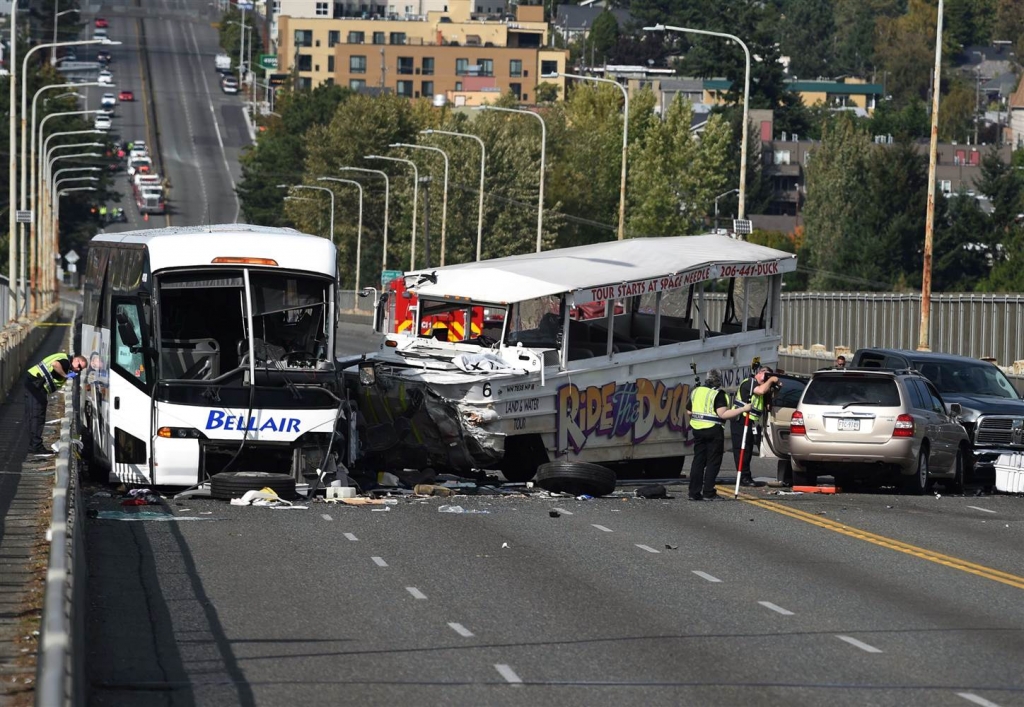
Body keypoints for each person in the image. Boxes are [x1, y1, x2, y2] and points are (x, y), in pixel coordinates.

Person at [686, 369, 752, 501]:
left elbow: (689, 411)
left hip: (697, 429)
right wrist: (743, 409)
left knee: (698, 461)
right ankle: (708, 492)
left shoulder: (696, 391)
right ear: (718, 381)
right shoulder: (718, 394)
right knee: (713, 462)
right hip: (713, 430)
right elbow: (723, 414)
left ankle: (694, 492)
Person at [23, 353, 87, 455]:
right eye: (79, 366)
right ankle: (35, 446)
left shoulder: (65, 359)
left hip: (35, 383)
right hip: (36, 384)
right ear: (75, 360)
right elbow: (55, 364)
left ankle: (34, 445)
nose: (78, 370)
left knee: (33, 416)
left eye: (81, 369)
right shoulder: (66, 362)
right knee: (36, 416)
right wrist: (65, 375)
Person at [731, 364, 781, 487]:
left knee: (748, 449)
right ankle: (743, 477)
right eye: (766, 376)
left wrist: (776, 387)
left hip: (751, 421)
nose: (766, 379)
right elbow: (760, 391)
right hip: (741, 419)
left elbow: (769, 400)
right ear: (759, 373)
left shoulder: (761, 385)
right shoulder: (750, 382)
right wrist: (771, 380)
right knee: (742, 449)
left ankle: (746, 476)